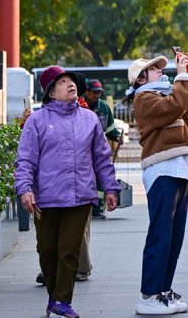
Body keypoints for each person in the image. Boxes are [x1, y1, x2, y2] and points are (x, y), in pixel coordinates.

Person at [16, 66, 121, 318]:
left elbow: (102, 158)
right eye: (62, 82)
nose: (70, 84)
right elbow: (25, 159)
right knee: (47, 251)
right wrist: (25, 189)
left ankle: (62, 300)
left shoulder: (89, 119)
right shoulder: (36, 121)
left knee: (70, 251)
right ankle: (54, 297)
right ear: (51, 93)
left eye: (70, 80)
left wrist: (110, 187)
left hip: (80, 196)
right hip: (46, 198)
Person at [128, 50, 188, 315]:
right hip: (162, 168)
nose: (160, 71)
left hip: (181, 165)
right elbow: (174, 107)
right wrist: (183, 77)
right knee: (161, 233)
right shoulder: (144, 98)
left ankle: (163, 291)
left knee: (175, 236)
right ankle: (149, 295)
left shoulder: (169, 92)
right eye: (154, 69)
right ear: (140, 79)